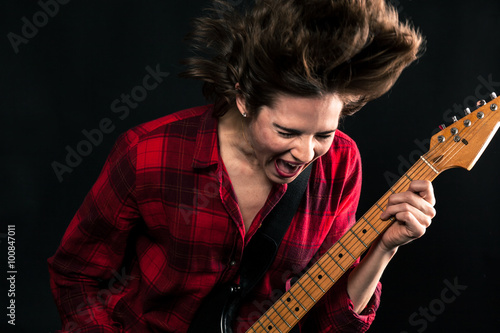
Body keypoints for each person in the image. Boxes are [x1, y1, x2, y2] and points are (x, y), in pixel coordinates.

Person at [48, 0, 436, 332]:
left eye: (323, 134)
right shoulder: (149, 151)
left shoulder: (341, 163)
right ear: (245, 99)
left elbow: (328, 321)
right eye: (287, 131)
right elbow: (77, 275)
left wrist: (384, 248)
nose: (305, 153)